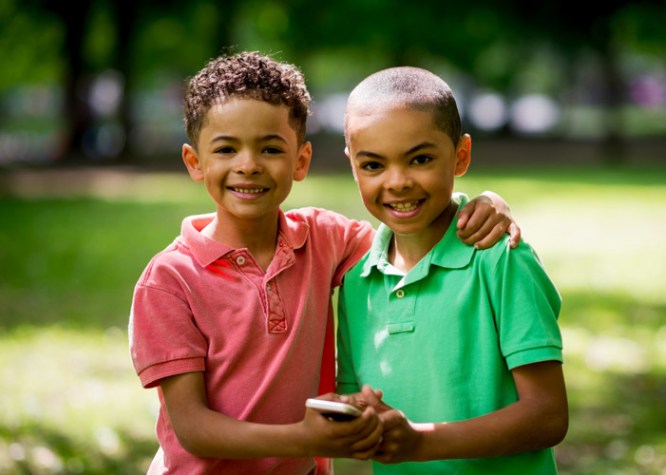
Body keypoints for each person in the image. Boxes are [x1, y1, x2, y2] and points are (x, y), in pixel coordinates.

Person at [128, 51, 520, 475]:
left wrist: (485, 202)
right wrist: (304, 437)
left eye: (270, 148)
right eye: (226, 149)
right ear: (195, 162)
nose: (248, 165)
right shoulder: (168, 281)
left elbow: (415, 228)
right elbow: (193, 428)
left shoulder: (323, 239)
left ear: (301, 161)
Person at [337, 66, 568, 474]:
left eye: (420, 159)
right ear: (352, 165)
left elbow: (548, 415)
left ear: (460, 155)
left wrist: (420, 441)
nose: (398, 182)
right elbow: (358, 401)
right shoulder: (357, 281)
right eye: (373, 165)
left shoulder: (500, 256)